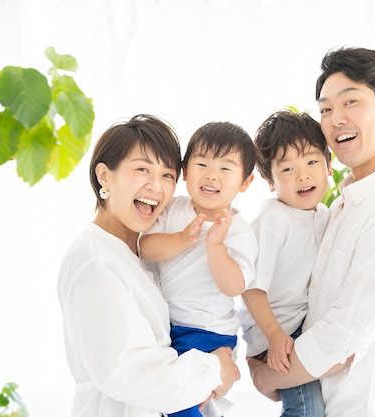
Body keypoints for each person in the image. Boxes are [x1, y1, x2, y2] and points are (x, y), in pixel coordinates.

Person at [248, 46, 375, 417]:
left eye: (350, 102)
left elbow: (341, 337)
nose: (335, 119)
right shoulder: (338, 206)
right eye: (325, 109)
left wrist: (263, 377)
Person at [57, 114, 240, 417]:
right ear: (104, 176)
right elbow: (130, 373)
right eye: (142, 169)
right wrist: (216, 368)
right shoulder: (93, 259)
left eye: (168, 175)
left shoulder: (145, 255)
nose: (156, 186)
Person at [139, 121, 258, 417]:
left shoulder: (238, 231)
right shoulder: (173, 209)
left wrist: (215, 246)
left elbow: (234, 286)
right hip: (171, 328)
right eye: (202, 163)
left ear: (245, 182)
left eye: (226, 169)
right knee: (181, 399)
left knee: (182, 401)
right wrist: (181, 240)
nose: (211, 175)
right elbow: (146, 248)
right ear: (185, 171)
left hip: (208, 331)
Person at [239, 109, 332, 417]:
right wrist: (276, 336)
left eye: (311, 162)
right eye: (288, 169)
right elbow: (251, 288)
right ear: (270, 180)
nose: (303, 175)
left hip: (300, 329)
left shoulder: (326, 216)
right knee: (307, 411)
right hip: (278, 332)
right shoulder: (273, 220)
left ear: (329, 165)